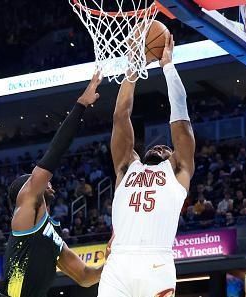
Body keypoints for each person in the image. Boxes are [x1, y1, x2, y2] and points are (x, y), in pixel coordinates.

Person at [98, 33, 195, 297]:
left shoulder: (179, 173)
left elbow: (181, 119)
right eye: (156, 146)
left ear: (175, 159)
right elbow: (120, 116)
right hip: (117, 263)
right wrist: (133, 66)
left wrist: (168, 67)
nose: (160, 146)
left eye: (167, 148)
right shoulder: (126, 167)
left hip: (156, 261)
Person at [0, 73, 107, 297]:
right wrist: (81, 105)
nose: (45, 180)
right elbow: (54, 153)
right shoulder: (25, 212)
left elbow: (86, 277)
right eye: (31, 179)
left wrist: (114, 262)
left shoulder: (51, 235)